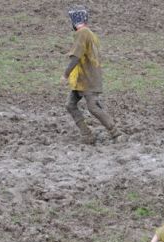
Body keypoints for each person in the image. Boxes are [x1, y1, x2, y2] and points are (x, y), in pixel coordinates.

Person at [60, 5, 117, 145]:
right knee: (70, 105)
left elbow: (76, 57)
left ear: (74, 20)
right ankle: (87, 134)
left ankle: (115, 132)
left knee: (93, 107)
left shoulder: (83, 33)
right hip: (82, 80)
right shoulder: (90, 33)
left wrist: (65, 74)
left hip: (87, 80)